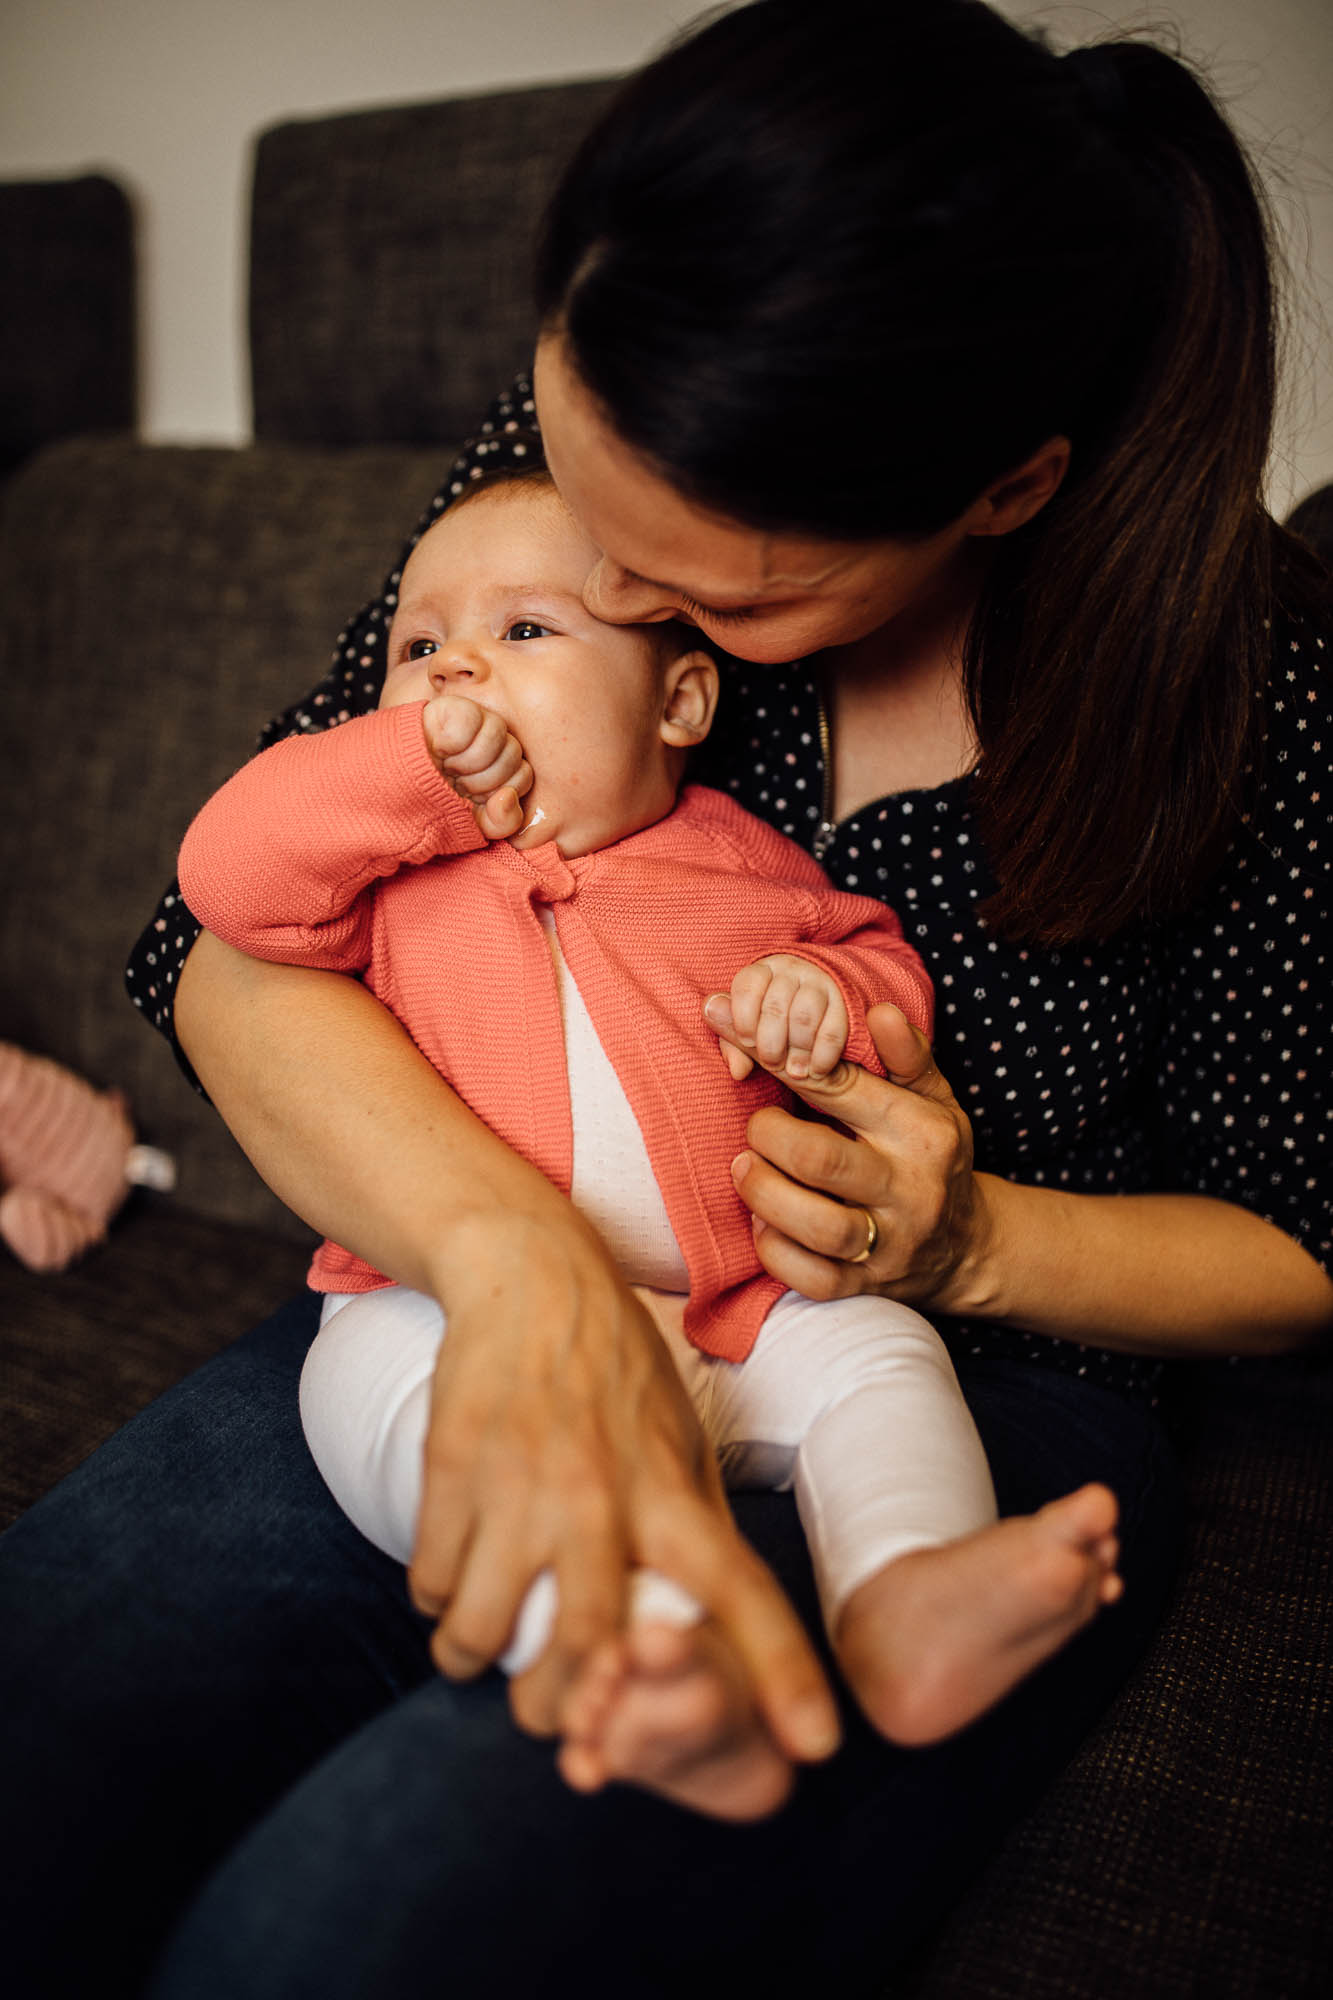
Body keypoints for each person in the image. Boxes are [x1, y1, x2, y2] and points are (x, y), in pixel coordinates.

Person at [4, 2, 1328, 1993]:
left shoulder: (1251, 674)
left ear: (999, 488)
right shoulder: (569, 462)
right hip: (469, 1269)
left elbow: (1300, 1242)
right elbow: (225, 935)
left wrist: (967, 1240)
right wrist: (517, 1267)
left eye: (689, 584)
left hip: (959, 1363)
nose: (599, 593)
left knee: (346, 1932)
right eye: (576, 517)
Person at [176, 464, 1121, 1818]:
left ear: (678, 701)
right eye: (418, 644)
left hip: (745, 1310)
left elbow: (875, 963)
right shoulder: (381, 881)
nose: (456, 673)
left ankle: (908, 1590)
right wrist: (404, 776)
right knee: (392, 1408)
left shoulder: (734, 856)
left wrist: (827, 1006)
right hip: (444, 1309)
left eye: (523, 633)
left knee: (882, 1363)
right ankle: (638, 1648)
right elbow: (224, 877)